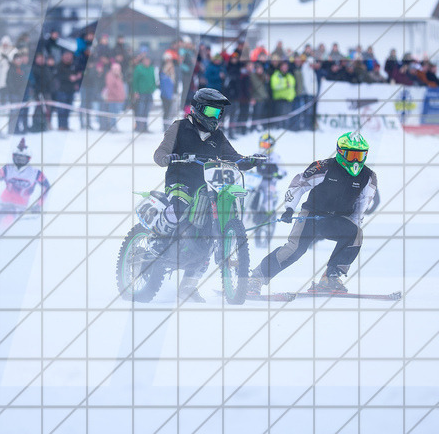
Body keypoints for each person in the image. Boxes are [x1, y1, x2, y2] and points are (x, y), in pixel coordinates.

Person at [152, 88, 261, 302]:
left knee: (210, 235)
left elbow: (234, 158)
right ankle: (158, 240)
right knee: (180, 206)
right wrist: (168, 157)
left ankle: (189, 286)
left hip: (208, 187)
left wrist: (251, 160)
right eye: (212, 111)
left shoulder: (217, 136)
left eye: (219, 113)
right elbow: (159, 153)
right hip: (180, 181)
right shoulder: (179, 127)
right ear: (199, 109)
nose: (215, 117)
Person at [250, 132, 380, 294]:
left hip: (336, 220)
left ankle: (330, 278)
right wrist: (290, 208)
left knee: (356, 235)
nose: (355, 160)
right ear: (340, 152)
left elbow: (362, 206)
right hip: (312, 215)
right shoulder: (323, 167)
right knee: (295, 249)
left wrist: (352, 228)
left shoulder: (368, 177)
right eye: (352, 155)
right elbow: (299, 184)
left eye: (360, 156)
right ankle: (256, 278)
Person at [0, 138, 51, 221]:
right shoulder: (7, 169)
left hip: (20, 205)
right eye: (17, 158)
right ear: (13, 157)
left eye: (22, 159)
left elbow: (46, 187)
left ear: (28, 159)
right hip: (4, 201)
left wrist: (39, 205)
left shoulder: (35, 173)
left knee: (9, 220)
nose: (19, 161)